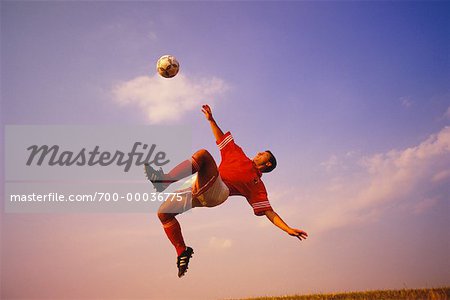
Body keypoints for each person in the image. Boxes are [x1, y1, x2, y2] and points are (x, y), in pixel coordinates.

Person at [144, 104, 308, 278]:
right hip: (199, 186)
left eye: (264, 154)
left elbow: (269, 211)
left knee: (203, 155)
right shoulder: (238, 154)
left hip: (219, 192)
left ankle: (163, 181)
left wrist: (288, 228)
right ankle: (182, 251)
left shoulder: (256, 183)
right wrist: (211, 120)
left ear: (268, 164)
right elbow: (221, 139)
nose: (259, 152)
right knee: (163, 214)